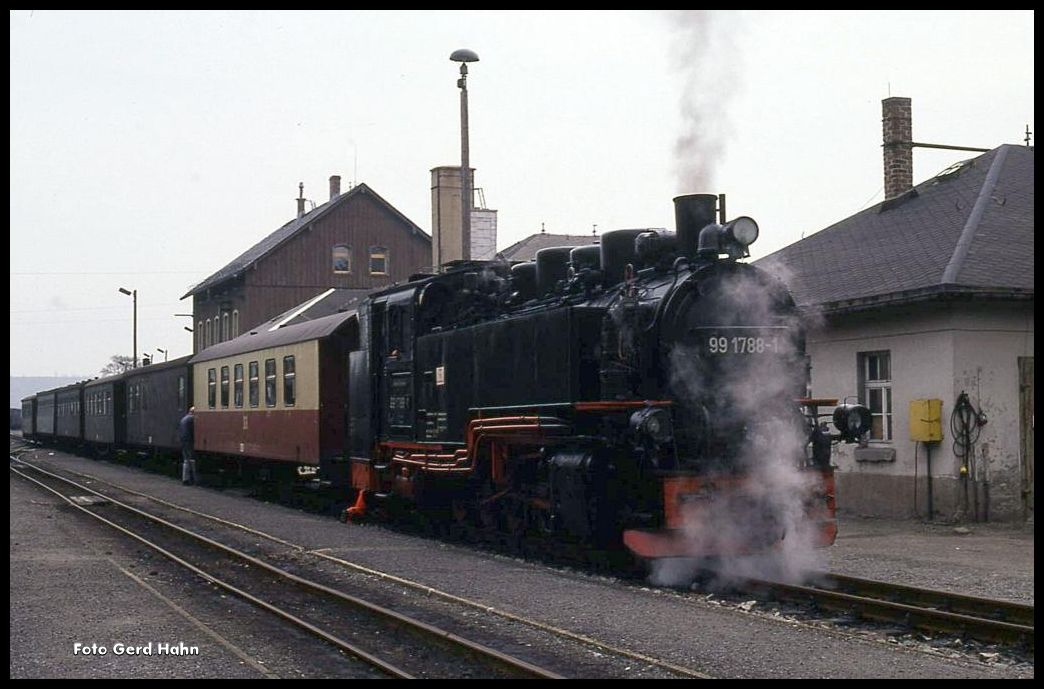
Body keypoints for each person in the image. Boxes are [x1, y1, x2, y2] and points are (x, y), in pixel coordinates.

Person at [178, 406, 196, 485]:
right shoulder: (191, 419)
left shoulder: (183, 419)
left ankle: (185, 479)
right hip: (189, 441)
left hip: (183, 441)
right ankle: (192, 478)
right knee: (191, 460)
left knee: (186, 460)